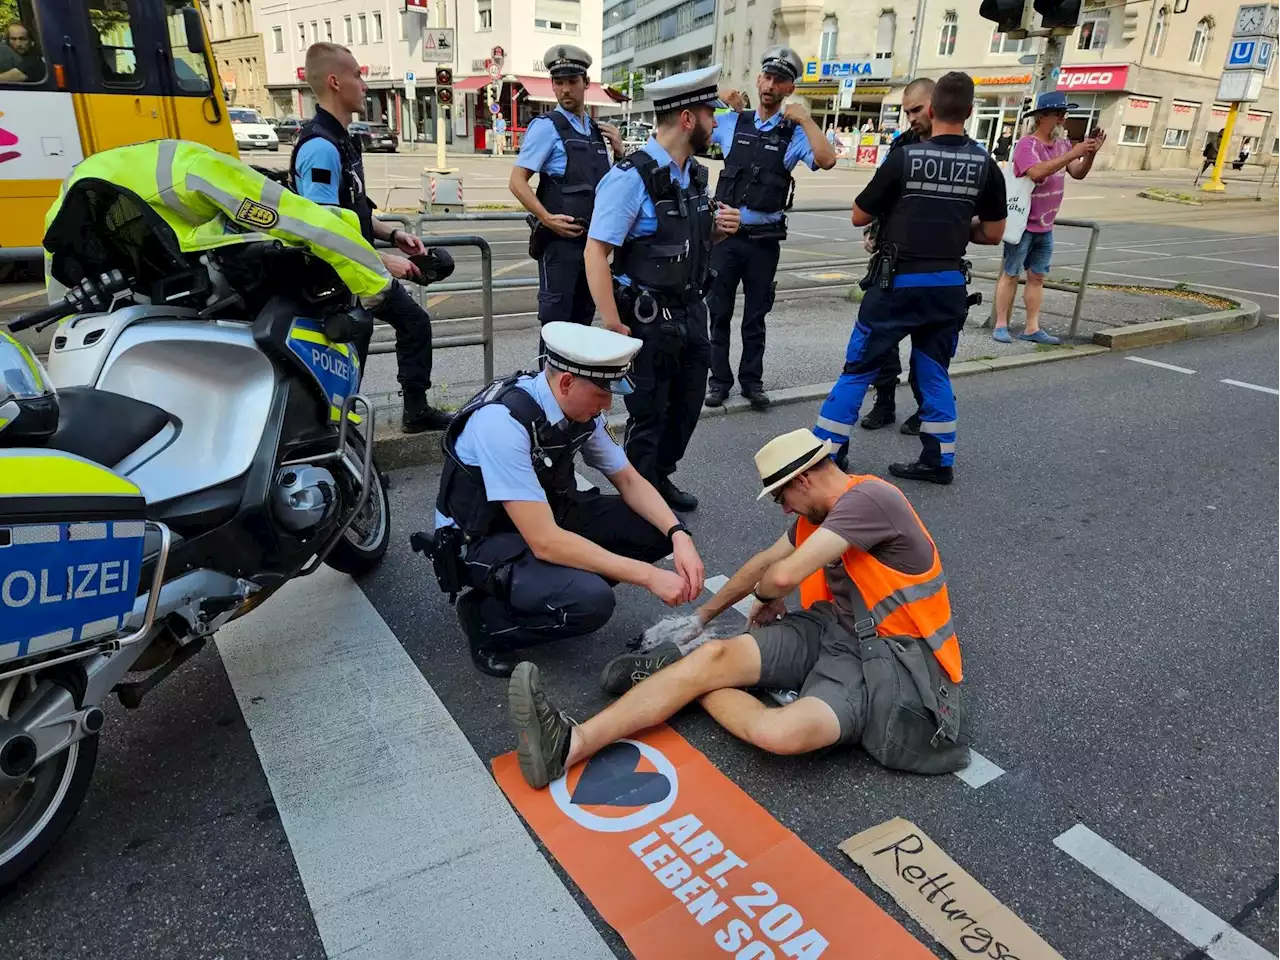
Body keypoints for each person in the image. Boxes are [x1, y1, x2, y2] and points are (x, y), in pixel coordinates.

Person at [506, 428, 969, 789]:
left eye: (783, 496)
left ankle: (679, 684)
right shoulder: (820, 514)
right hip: (832, 630)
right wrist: (701, 619)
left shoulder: (870, 499)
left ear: (803, 480)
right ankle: (570, 743)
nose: (785, 509)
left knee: (781, 735)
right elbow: (764, 565)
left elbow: (781, 578)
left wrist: (768, 599)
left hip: (892, 657)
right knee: (713, 657)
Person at [431, 322, 706, 677]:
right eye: (602, 394)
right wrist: (648, 576)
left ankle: (556, 588)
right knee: (592, 602)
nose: (608, 405)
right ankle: (487, 620)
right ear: (566, 382)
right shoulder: (503, 424)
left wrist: (678, 534)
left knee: (653, 528)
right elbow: (544, 542)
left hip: (542, 515)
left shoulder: (577, 411)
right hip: (484, 538)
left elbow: (628, 479)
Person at [813, 72, 1007, 486]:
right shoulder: (986, 165)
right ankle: (938, 462)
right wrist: (955, 228)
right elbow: (993, 233)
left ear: (932, 109)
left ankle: (828, 455)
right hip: (947, 289)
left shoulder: (906, 157)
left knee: (858, 369)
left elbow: (859, 215)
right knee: (932, 371)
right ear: (971, 113)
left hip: (896, 286)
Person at [584, 65, 742, 513]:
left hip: (692, 313)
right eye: (710, 114)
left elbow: (686, 240)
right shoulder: (630, 178)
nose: (715, 123)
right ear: (688, 119)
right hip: (648, 321)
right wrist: (613, 324)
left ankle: (660, 478)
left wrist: (717, 233)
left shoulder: (693, 174)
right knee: (648, 416)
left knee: (686, 409)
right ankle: (638, 500)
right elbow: (596, 253)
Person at [289, 43, 450, 432]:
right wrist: (381, 262)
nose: (364, 84)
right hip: (336, 275)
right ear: (334, 81)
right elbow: (322, 228)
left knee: (413, 324)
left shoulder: (344, 140)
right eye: (357, 76)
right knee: (346, 357)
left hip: (358, 268)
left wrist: (392, 234)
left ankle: (414, 411)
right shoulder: (320, 147)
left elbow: (354, 211)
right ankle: (334, 445)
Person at [705, 47, 837, 411]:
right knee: (718, 312)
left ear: (789, 88)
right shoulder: (733, 122)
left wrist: (807, 120)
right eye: (767, 77)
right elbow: (690, 115)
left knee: (755, 316)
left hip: (764, 241)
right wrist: (720, 95)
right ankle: (718, 381)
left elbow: (827, 160)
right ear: (759, 80)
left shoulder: (793, 134)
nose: (770, 85)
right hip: (725, 237)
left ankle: (752, 382)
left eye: (779, 80)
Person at [509, 45, 624, 329]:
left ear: (586, 83)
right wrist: (547, 219)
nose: (565, 90)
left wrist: (620, 153)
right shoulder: (547, 127)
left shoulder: (597, 132)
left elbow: (611, 187)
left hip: (592, 247)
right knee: (556, 328)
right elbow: (516, 182)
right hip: (560, 247)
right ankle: (547, 376)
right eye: (558, 83)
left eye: (572, 81)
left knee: (582, 324)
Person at [992, 91, 1104, 346]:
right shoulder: (1026, 145)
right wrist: (1073, 153)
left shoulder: (1064, 146)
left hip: (1045, 225)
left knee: (1037, 276)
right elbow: (1036, 172)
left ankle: (1032, 328)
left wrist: (1089, 154)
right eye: (1059, 114)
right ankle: (1001, 324)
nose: (1063, 120)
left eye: (1065, 115)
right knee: (1011, 273)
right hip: (1022, 224)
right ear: (1042, 117)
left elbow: (1077, 173)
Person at [859, 77, 936, 435]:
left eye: (917, 110)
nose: (911, 118)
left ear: (936, 103)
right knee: (882, 338)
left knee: (928, 343)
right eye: (907, 112)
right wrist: (873, 230)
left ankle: (926, 408)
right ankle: (885, 402)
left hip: (933, 260)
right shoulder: (902, 144)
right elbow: (881, 194)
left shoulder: (958, 149)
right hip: (891, 257)